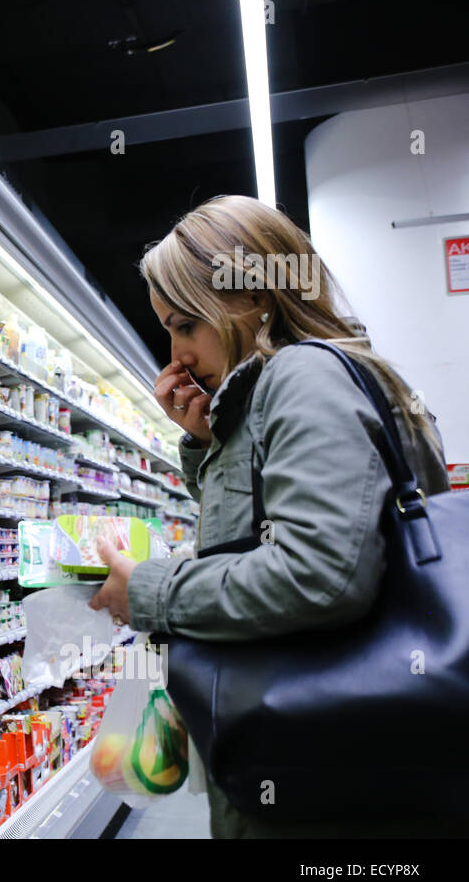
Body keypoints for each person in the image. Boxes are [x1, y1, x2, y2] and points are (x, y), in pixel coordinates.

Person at [88, 195, 451, 838]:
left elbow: (317, 575)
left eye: (184, 325)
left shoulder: (303, 378)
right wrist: (209, 444)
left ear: (248, 300)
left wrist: (146, 587)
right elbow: (260, 539)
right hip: (319, 757)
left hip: (335, 778)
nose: (174, 355)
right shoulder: (275, 391)